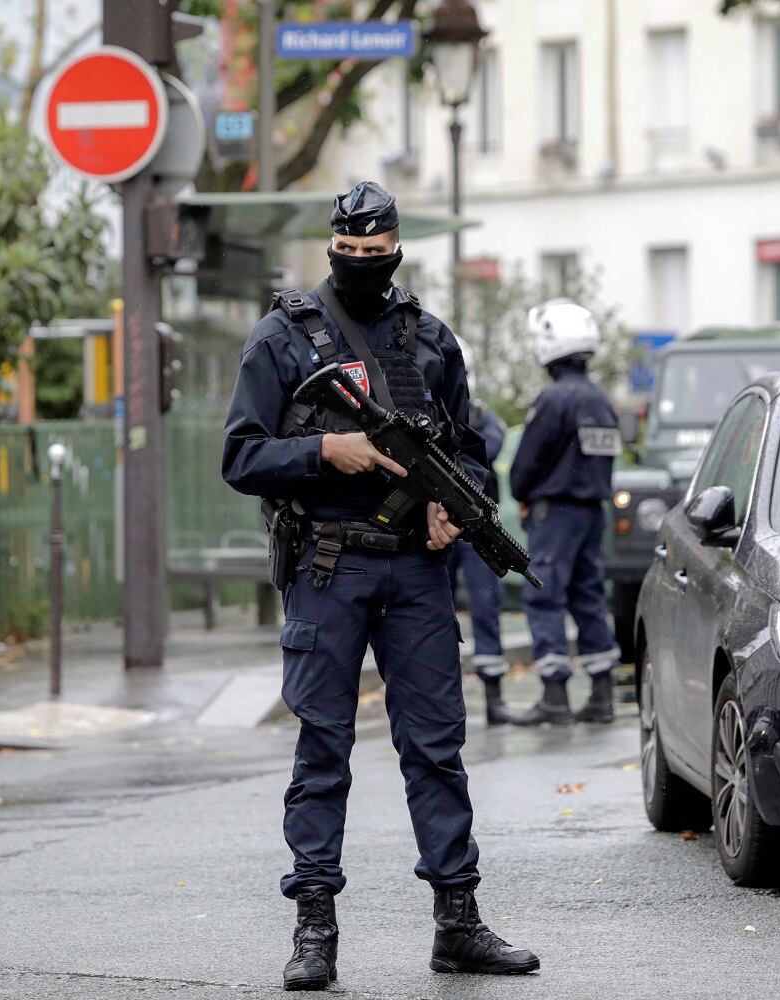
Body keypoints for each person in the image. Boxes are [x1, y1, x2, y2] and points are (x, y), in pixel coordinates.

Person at [222, 181, 538, 991]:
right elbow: (241, 456)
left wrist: (451, 510)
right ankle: (315, 927)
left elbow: (471, 450)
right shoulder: (284, 339)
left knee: (436, 747)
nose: (364, 264)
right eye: (350, 253)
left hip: (416, 569)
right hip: (329, 566)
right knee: (323, 746)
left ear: (397, 249)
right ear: (333, 248)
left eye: (378, 253)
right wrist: (327, 454)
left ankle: (457, 921)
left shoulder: (427, 338)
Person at [508, 300, 622, 727]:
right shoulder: (601, 401)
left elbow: (527, 463)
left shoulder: (554, 399)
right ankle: (601, 695)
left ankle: (555, 696)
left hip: (554, 513)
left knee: (545, 596)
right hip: (592, 513)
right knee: (589, 596)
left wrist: (522, 491)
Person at [445, 337, 512, 725]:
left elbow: (491, 449)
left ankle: (493, 696)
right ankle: (444, 698)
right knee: (438, 612)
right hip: (437, 528)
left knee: (486, 608)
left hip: (478, 529)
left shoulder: (483, 420)